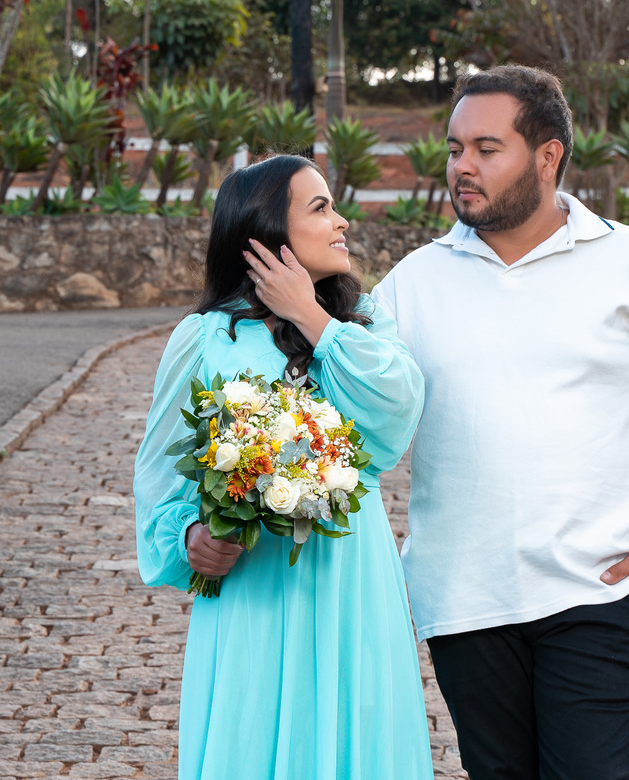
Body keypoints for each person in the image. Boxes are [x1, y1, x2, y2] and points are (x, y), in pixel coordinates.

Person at [371, 65, 629, 780]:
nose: (462, 168)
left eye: (487, 148)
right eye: (454, 150)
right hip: (463, 599)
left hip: (598, 594)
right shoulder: (413, 284)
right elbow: (344, 399)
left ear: (547, 156)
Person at [134, 154, 433, 779]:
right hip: (253, 587)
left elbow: (395, 417)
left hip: (352, 576)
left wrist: (312, 318)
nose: (341, 221)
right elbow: (162, 473)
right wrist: (190, 537)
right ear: (267, 231)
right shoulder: (205, 338)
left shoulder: (363, 323)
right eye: (321, 208)